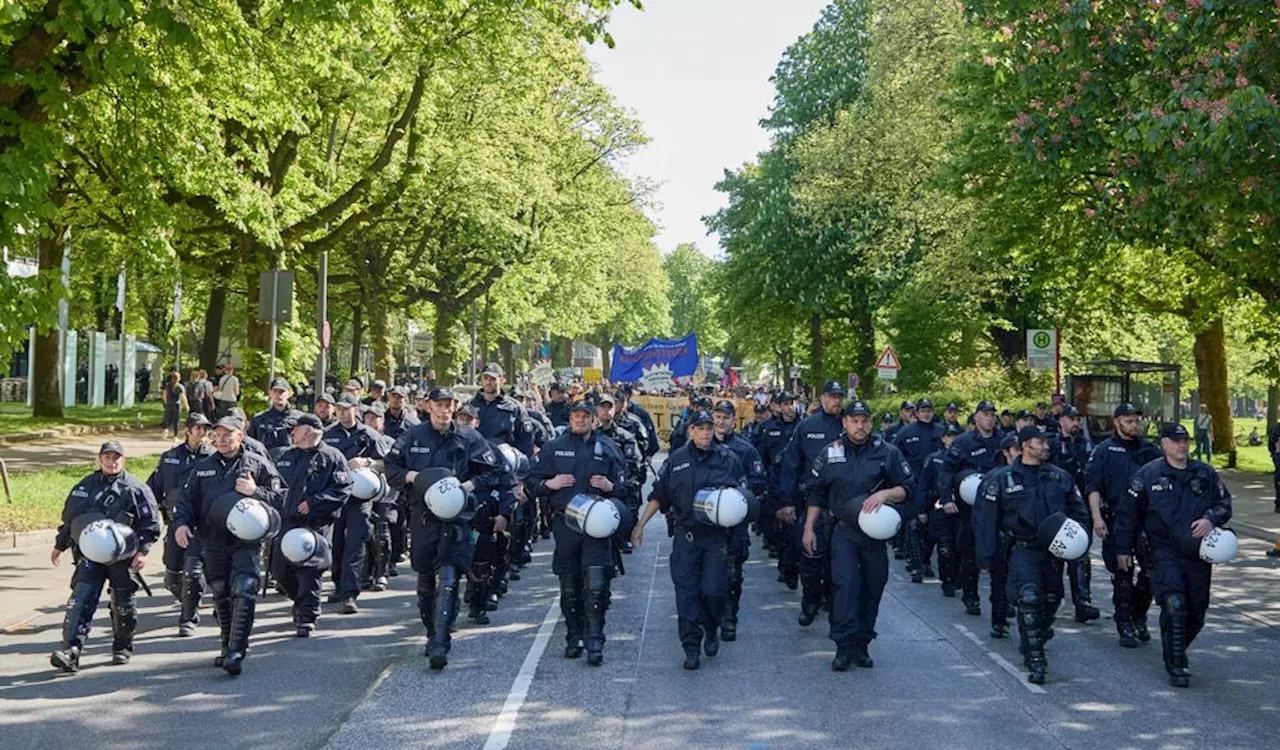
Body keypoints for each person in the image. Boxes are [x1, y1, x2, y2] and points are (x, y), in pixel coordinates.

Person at [384, 386, 505, 669]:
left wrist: (468, 486)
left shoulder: (469, 436)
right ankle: (430, 630)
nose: (444, 409)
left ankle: (441, 640)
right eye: (439, 404)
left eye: (449, 404)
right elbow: (391, 467)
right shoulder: (413, 436)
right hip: (423, 517)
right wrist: (411, 476)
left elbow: (493, 470)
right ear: (429, 406)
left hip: (457, 518)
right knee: (426, 583)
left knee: (449, 581)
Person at [1115, 422, 1232, 687]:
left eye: (1185, 441)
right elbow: (1127, 516)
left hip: (1198, 554)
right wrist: (1123, 549)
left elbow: (1224, 503)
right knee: (1174, 605)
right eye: (1175, 441)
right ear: (1164, 444)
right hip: (1162, 551)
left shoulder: (1204, 473)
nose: (1182, 445)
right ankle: (1176, 662)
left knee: (1196, 613)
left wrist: (1210, 520)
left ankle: (1175, 648)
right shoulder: (1148, 475)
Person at [632, 409, 748, 670]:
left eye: (709, 428)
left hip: (716, 540)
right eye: (701, 428)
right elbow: (659, 495)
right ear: (691, 431)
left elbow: (744, 498)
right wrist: (640, 525)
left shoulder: (728, 459)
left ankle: (711, 628)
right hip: (687, 538)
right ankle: (691, 647)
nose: (706, 432)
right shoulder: (677, 460)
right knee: (686, 595)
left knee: (714, 592)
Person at [975, 425, 1091, 684]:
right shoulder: (1002, 479)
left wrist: (1082, 541)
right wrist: (986, 558)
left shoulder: (1060, 477)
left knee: (1052, 600)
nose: (1046, 446)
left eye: (1047, 442)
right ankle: (1036, 662)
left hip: (1054, 552)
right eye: (1040, 442)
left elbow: (1078, 513)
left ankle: (1035, 635)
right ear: (1026, 445)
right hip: (1021, 550)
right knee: (1028, 597)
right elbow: (986, 522)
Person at [172, 416, 285, 675]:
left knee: (244, 589)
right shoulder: (202, 467)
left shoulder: (257, 464)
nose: (221, 439)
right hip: (212, 540)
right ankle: (226, 645)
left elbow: (282, 498)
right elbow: (187, 502)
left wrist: (256, 491)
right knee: (221, 590)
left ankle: (237, 650)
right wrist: (181, 524)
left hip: (246, 541)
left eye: (228, 434)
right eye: (218, 435)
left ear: (240, 436)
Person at [804, 400, 912, 671]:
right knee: (846, 585)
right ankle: (842, 646)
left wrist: (885, 493)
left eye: (864, 420)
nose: (860, 425)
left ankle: (861, 644)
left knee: (872, 587)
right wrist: (808, 528)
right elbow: (816, 492)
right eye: (854, 420)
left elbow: (907, 487)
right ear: (845, 422)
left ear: (870, 422)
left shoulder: (887, 452)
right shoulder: (830, 453)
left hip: (875, 535)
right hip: (843, 531)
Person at [527, 400, 626, 665]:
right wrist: (550, 483)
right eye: (575, 416)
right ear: (570, 418)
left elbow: (629, 487)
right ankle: (574, 636)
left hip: (597, 526)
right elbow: (531, 483)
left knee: (595, 585)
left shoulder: (608, 448)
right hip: (566, 525)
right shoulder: (554, 447)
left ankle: (595, 640)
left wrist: (610, 486)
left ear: (594, 420)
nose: (580, 420)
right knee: (570, 586)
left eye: (585, 416)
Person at [49, 441, 160, 673]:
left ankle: (122, 646)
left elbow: (150, 525)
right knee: (81, 598)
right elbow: (70, 521)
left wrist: (143, 551)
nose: (112, 462)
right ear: (99, 459)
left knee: (123, 603)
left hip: (123, 556)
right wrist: (59, 545)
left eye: (116, 457)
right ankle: (71, 651)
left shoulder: (136, 489)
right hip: (90, 555)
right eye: (107, 457)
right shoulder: (85, 486)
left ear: (124, 460)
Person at [1084, 402, 1163, 648]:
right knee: (1122, 571)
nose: (1134, 425)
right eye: (1128, 421)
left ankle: (1138, 615)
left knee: (1151, 571)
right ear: (1116, 422)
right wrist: (1097, 517)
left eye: (1136, 420)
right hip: (1117, 518)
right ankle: (1124, 622)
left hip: (1145, 519)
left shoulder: (1147, 450)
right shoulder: (1104, 450)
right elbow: (1093, 486)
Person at [270, 413, 353, 636]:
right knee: (281, 570)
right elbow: (275, 487)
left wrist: (315, 502)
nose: (291, 433)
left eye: (295, 429)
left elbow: (343, 489)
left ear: (308, 431)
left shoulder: (332, 457)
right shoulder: (286, 456)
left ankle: (308, 615)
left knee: (310, 570)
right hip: (288, 522)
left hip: (316, 523)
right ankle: (300, 600)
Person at [779, 381, 846, 626]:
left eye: (839, 396)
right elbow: (790, 465)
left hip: (842, 504)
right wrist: (785, 501)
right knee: (810, 555)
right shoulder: (807, 427)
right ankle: (810, 601)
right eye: (831, 396)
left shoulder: (849, 424)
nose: (836, 401)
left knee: (839, 558)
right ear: (822, 398)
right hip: (812, 502)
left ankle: (832, 600)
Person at [146, 413, 214, 636]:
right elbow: (152, 490)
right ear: (188, 430)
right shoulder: (170, 458)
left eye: (205, 429)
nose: (202, 433)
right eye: (198, 429)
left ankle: (188, 618)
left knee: (192, 572)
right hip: (175, 523)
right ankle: (190, 599)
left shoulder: (214, 458)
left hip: (202, 525)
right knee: (172, 575)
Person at [323, 393, 389, 614]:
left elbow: (388, 464)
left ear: (356, 409)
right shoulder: (328, 434)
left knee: (355, 542)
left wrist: (367, 462)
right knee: (337, 543)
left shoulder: (369, 435)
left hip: (361, 497)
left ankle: (350, 593)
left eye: (346, 408)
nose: (341, 412)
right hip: (335, 497)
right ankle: (339, 584)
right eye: (339, 409)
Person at [937, 400, 1004, 617]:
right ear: (976, 418)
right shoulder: (964, 442)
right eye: (985, 414)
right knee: (969, 552)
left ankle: (1002, 602)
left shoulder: (1002, 441)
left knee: (1001, 552)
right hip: (970, 506)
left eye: (992, 414)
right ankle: (971, 595)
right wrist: (946, 499)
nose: (990, 418)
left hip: (997, 505)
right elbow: (947, 471)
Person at [711, 399, 766, 642]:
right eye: (718, 416)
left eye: (726, 417)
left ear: (734, 420)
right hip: (707, 521)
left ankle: (729, 617)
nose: (721, 421)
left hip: (735, 521)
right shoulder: (701, 444)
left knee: (733, 572)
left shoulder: (745, 449)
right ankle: (709, 616)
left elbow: (758, 483)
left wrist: (736, 492)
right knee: (708, 571)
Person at [1049, 405, 1100, 624]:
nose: (1075, 423)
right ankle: (1053, 599)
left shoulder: (1086, 444)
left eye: (1078, 419)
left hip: (1079, 506)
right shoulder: (1051, 444)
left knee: (1080, 555)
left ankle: (1083, 603)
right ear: (1061, 421)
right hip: (1057, 507)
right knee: (1056, 556)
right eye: (1071, 419)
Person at [893, 398, 943, 584]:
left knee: (933, 527)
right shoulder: (906, 432)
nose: (926, 413)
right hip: (914, 486)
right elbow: (895, 456)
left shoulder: (940, 431)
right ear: (917, 412)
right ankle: (916, 565)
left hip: (936, 488)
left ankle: (925, 559)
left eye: (929, 410)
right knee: (913, 525)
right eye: (923, 410)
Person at [755, 391, 800, 586]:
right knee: (781, 531)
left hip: (799, 485)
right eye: (785, 404)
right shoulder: (769, 429)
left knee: (796, 531)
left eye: (792, 403)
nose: (789, 407)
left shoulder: (804, 426)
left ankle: (793, 567)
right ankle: (786, 565)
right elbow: (761, 457)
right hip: (776, 484)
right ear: (778, 407)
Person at [249, 377, 298, 452]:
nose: (278, 394)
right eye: (275, 391)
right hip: (266, 460)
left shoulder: (299, 418)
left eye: (282, 391)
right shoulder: (259, 419)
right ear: (270, 393)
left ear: (289, 394)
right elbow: (251, 445)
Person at [161, 369, 188, 440]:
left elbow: (164, 395)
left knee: (168, 418)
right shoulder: (180, 386)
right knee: (176, 421)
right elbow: (183, 397)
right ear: (179, 378)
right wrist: (186, 405)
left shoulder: (167, 385)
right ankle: (175, 436)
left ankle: (166, 430)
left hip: (169, 404)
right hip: (177, 404)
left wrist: (166, 402)